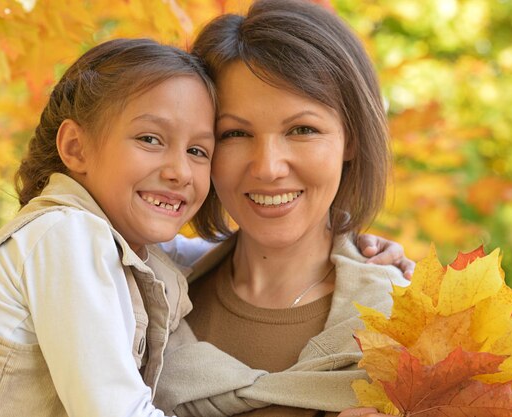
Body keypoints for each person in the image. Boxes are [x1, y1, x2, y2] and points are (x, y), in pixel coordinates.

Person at [154, 1, 407, 416]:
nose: (268, 168)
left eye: (302, 129)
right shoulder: (148, 308)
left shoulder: (407, 325)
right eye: (235, 133)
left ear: (352, 140)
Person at [0, 38, 217, 417]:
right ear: (76, 147)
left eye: (197, 151)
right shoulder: (66, 234)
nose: (180, 172)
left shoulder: (110, 240)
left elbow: (207, 255)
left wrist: (334, 241)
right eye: (150, 139)